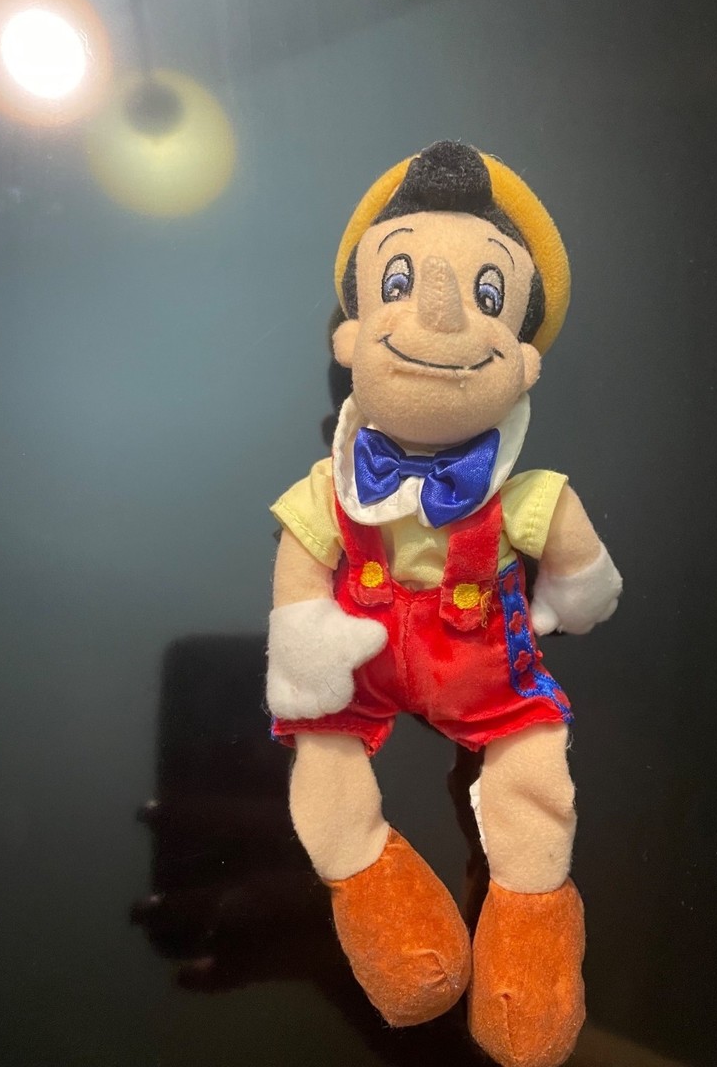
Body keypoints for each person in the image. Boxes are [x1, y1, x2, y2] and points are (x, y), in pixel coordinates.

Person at [266, 141, 622, 1067]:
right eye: (400, 281)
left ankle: (530, 926)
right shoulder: (331, 490)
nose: (438, 315)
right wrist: (304, 643)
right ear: (351, 338)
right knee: (323, 752)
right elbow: (303, 566)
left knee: (534, 767)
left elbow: (580, 562)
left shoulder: (525, 495)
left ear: (524, 361)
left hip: (480, 660)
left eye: (487, 294)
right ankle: (374, 891)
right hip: (362, 650)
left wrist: (573, 595)